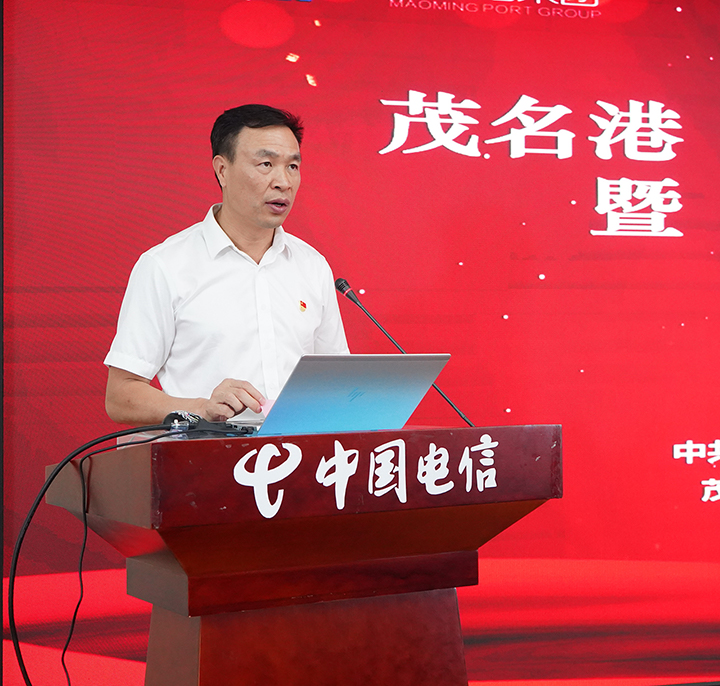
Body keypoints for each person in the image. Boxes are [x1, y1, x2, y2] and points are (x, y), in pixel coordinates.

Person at [104, 104, 349, 425]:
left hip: (300, 451)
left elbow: (337, 383)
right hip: (205, 450)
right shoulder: (165, 266)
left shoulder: (312, 266)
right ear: (222, 170)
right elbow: (120, 395)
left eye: (292, 166)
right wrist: (202, 408)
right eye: (266, 164)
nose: (283, 182)